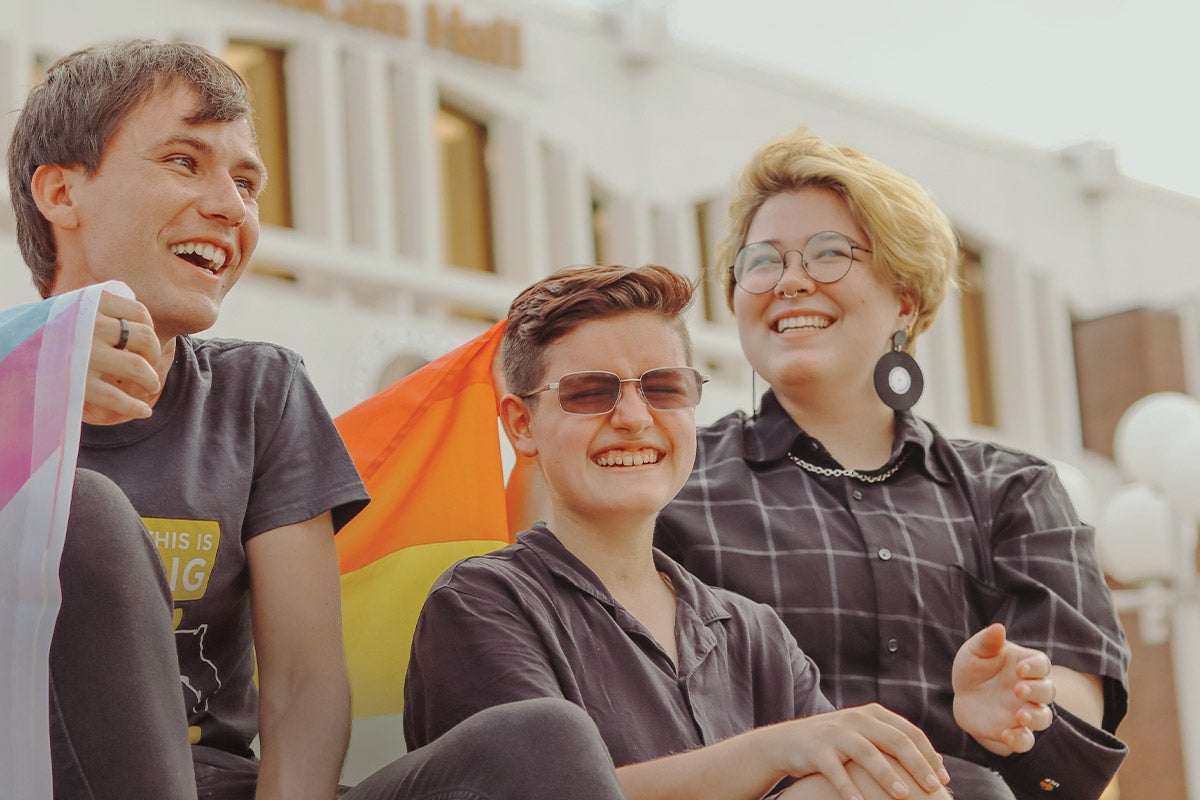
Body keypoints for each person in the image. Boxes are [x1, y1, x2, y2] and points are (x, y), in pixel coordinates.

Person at [8, 39, 627, 800]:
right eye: (183, 162)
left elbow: (302, 682)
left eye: (247, 182)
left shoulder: (260, 393)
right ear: (62, 194)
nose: (230, 206)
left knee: (539, 740)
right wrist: (28, 372)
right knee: (86, 513)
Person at [402, 263, 1055, 800]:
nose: (634, 417)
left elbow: (860, 777)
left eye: (663, 387)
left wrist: (954, 727)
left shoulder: (755, 636)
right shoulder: (482, 604)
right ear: (521, 425)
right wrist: (771, 750)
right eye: (590, 392)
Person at [653, 128, 1130, 800]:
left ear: (905, 297)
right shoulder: (672, 486)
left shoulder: (1013, 492)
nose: (790, 281)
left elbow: (1075, 758)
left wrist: (1019, 708)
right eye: (761, 262)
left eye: (828, 255)